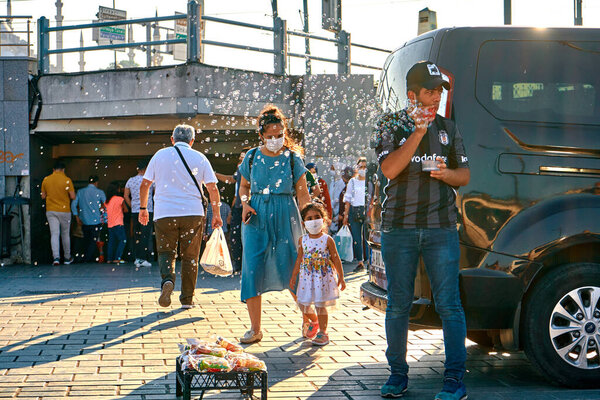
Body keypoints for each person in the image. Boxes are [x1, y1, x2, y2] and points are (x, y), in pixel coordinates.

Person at [374, 61, 470, 400]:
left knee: (449, 305)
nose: (434, 99)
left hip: (440, 229)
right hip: (398, 229)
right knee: (398, 304)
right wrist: (416, 132)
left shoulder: (448, 128)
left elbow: (465, 175)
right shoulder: (390, 124)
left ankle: (455, 381)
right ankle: (397, 376)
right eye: (429, 92)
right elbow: (389, 169)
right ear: (412, 94)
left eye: (438, 92)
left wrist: (448, 175)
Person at [238, 104, 317, 344]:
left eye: (279, 135)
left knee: (294, 265)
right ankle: (255, 329)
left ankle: (309, 320)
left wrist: (311, 220)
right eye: (270, 136)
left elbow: (303, 193)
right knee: (252, 268)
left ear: (285, 132)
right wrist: (245, 203)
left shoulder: (294, 159)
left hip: (287, 214)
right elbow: (243, 188)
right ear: (261, 135)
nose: (275, 140)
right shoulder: (251, 157)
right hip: (256, 216)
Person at [138, 124, 222, 309]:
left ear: (172, 139)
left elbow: (145, 185)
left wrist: (143, 208)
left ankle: (167, 280)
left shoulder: (160, 155)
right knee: (190, 256)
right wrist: (216, 214)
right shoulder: (200, 157)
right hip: (192, 213)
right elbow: (212, 188)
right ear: (192, 141)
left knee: (166, 252)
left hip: (164, 214)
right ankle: (187, 299)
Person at [289, 201, 346, 346]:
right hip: (307, 279)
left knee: (321, 306)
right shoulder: (303, 240)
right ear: (303, 223)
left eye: (317, 217)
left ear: (324, 219)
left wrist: (341, 277)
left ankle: (323, 332)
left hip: (322, 279)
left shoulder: (327, 240)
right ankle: (314, 323)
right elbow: (299, 259)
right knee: (304, 304)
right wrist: (294, 276)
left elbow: (336, 258)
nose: (313, 221)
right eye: (309, 218)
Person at [215, 151, 246, 273]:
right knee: (235, 236)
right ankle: (238, 265)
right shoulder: (240, 170)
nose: (240, 162)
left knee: (244, 236)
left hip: (249, 206)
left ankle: (244, 264)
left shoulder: (252, 169)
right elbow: (231, 180)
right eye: (239, 159)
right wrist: (215, 175)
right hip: (238, 208)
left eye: (242, 159)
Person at [41, 161, 75, 265]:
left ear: (53, 170)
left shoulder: (46, 180)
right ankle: (67, 257)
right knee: (65, 234)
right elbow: (73, 196)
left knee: (54, 234)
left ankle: (56, 258)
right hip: (65, 211)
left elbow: (43, 196)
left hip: (51, 210)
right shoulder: (67, 180)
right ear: (63, 170)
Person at [124, 159, 154, 268]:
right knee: (145, 235)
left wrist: (132, 206)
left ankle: (137, 258)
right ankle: (142, 259)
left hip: (135, 211)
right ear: (145, 169)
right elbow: (156, 194)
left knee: (136, 235)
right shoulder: (150, 180)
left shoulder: (130, 180)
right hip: (147, 210)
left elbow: (126, 195)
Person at [342, 157, 369, 271]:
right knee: (357, 237)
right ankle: (360, 262)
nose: (362, 169)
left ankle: (369, 262)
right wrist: (345, 216)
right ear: (357, 168)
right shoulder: (352, 181)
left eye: (364, 167)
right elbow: (347, 199)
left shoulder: (369, 181)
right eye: (360, 166)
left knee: (367, 238)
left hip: (367, 210)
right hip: (355, 210)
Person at [72, 175, 106, 263]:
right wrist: (104, 218)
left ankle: (85, 257)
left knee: (86, 240)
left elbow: (73, 204)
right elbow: (106, 205)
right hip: (96, 220)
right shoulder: (100, 192)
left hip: (84, 220)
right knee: (93, 240)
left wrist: (76, 216)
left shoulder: (80, 192)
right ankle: (88, 258)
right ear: (96, 182)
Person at [105, 182, 128, 264]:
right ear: (117, 189)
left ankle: (109, 259)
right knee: (123, 240)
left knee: (111, 242)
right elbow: (126, 210)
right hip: (118, 223)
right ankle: (117, 258)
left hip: (110, 224)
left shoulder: (107, 201)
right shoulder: (120, 199)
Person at [331, 166, 354, 233]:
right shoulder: (342, 186)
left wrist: (343, 216)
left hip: (345, 218)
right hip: (343, 217)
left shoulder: (346, 187)